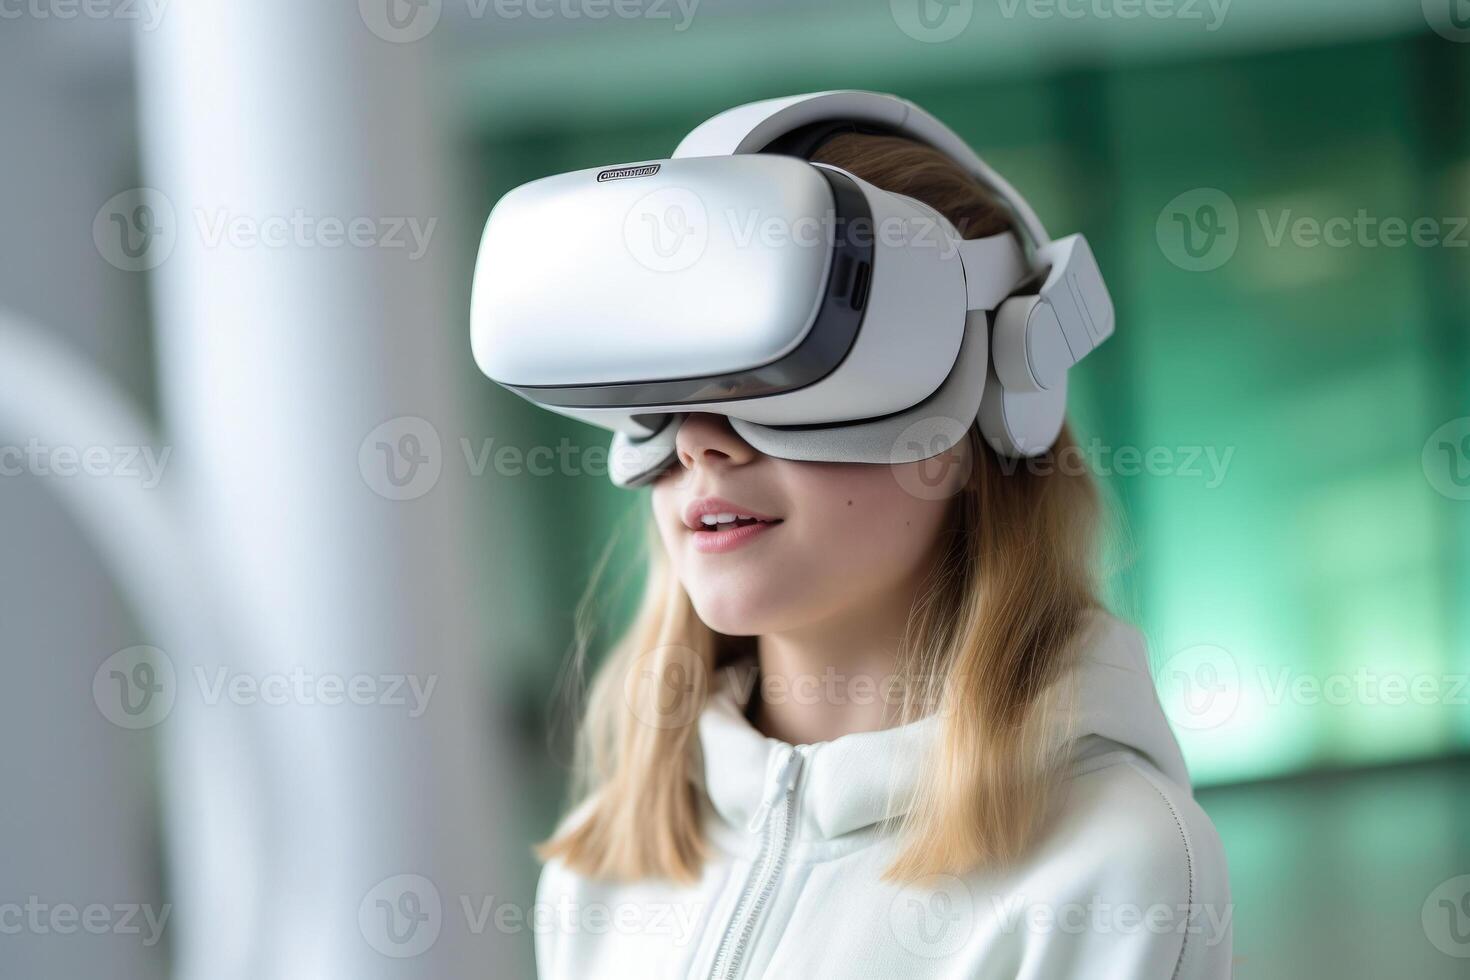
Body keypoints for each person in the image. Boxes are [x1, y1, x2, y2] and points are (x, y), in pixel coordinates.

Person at [522, 129, 1231, 980]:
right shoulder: (601, 868)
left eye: (787, 374)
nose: (700, 441)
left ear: (991, 414)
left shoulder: (1107, 864)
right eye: (669, 385)